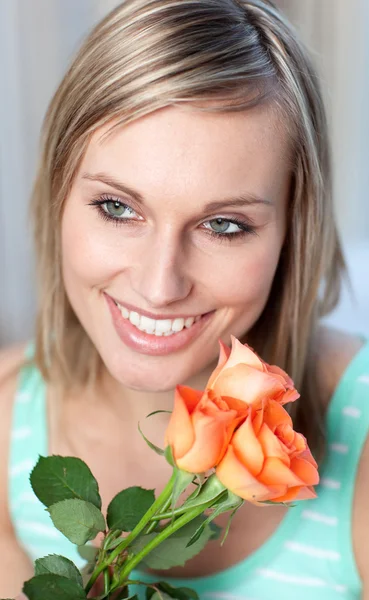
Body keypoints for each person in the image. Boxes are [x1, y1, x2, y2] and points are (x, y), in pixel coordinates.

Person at [1, 0, 368, 598]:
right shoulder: (5, 421)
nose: (159, 285)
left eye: (223, 225)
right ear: (58, 196)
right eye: (118, 208)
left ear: (292, 233)